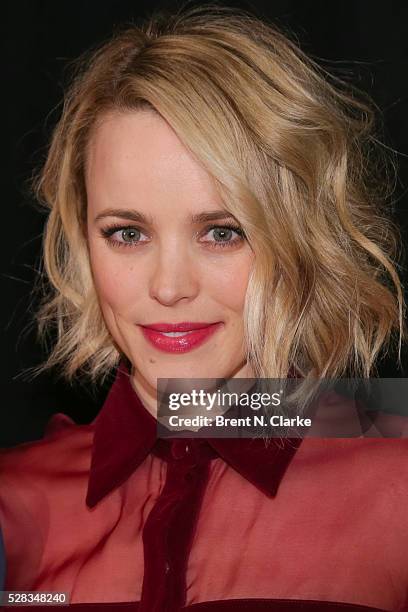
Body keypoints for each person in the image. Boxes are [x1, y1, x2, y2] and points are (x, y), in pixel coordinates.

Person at [0, 4, 407, 611]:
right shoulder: (15, 502)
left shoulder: (396, 490)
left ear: (297, 239)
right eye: (126, 233)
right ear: (83, 242)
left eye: (221, 232)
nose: (168, 287)